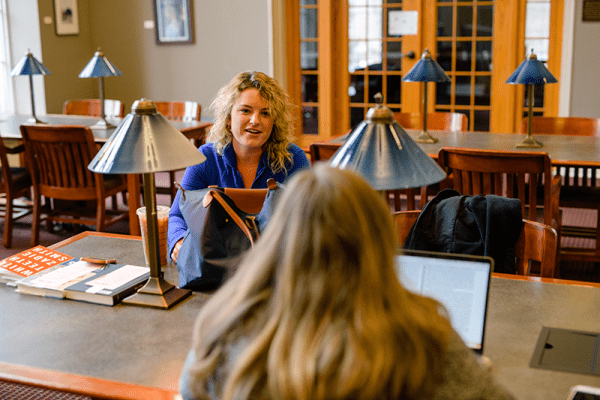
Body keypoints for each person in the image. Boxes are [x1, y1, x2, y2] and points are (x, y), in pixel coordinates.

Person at [179, 164, 515, 400]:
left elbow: (190, 389)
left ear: (277, 238)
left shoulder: (223, 330)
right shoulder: (422, 339)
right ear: (380, 245)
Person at [168, 71, 310, 262]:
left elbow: (312, 219)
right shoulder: (206, 157)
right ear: (228, 118)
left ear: (274, 122)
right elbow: (177, 215)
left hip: (274, 264)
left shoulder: (294, 159)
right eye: (245, 110)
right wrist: (177, 242)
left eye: (265, 113)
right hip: (217, 264)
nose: (255, 121)